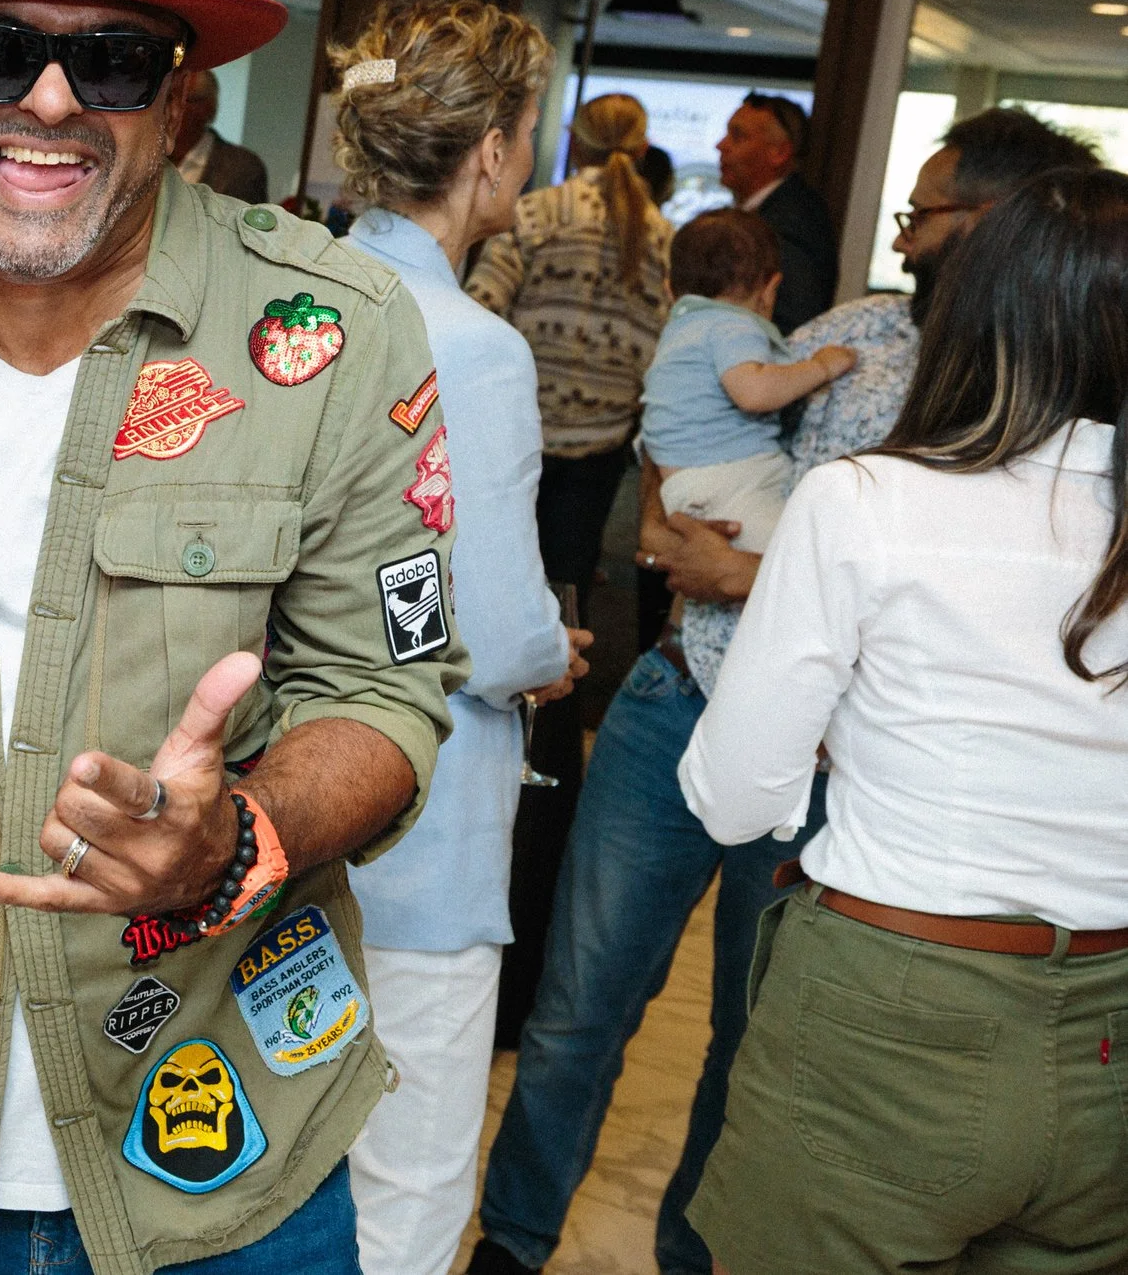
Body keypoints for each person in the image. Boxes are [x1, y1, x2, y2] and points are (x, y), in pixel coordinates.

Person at [0, 0, 463, 1275]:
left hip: (226, 1162)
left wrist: (234, 841)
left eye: (108, 57)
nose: (46, 101)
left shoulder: (337, 332)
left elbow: (390, 697)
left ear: (181, 102)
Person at [464, 106, 1099, 1275]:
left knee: (744, 1038)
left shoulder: (1050, 401)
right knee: (575, 1010)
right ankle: (511, 1243)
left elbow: (908, 579)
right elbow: (710, 428)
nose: (904, 240)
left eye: (927, 214)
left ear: (1007, 222)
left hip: (833, 764)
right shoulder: (852, 329)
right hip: (680, 699)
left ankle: (692, 1253)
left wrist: (738, 568)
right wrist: (663, 512)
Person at [678, 167, 1128, 1273]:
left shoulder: (869, 502)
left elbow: (732, 799)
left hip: (896, 1004)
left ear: (975, 317)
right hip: (1111, 1032)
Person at [330, 0, 586, 1275]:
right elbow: (483, 632)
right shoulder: (473, 348)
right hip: (414, 822)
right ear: (490, 146)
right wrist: (554, 651)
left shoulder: (294, 293)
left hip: (276, 812)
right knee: (409, 1176)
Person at [465, 92, 672, 618]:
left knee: (492, 576)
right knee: (566, 586)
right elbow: (664, 347)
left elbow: (479, 309)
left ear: (575, 144)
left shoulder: (533, 213)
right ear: (643, 147)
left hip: (517, 426)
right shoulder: (664, 238)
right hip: (601, 441)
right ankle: (555, 691)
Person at [638, 210, 855, 555]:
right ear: (770, 290)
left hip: (684, 484)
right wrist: (820, 368)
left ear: (669, 289)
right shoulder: (732, 325)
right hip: (729, 479)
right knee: (799, 556)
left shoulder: (679, 332)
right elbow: (753, 393)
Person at [713, 92, 833, 333]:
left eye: (738, 136)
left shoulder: (791, 221)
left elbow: (793, 320)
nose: (721, 145)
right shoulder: (769, 212)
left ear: (779, 153)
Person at [169, 67, 269, 201]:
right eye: (167, 99)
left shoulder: (241, 168)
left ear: (207, 107)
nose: (170, 109)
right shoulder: (150, 156)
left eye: (183, 100)